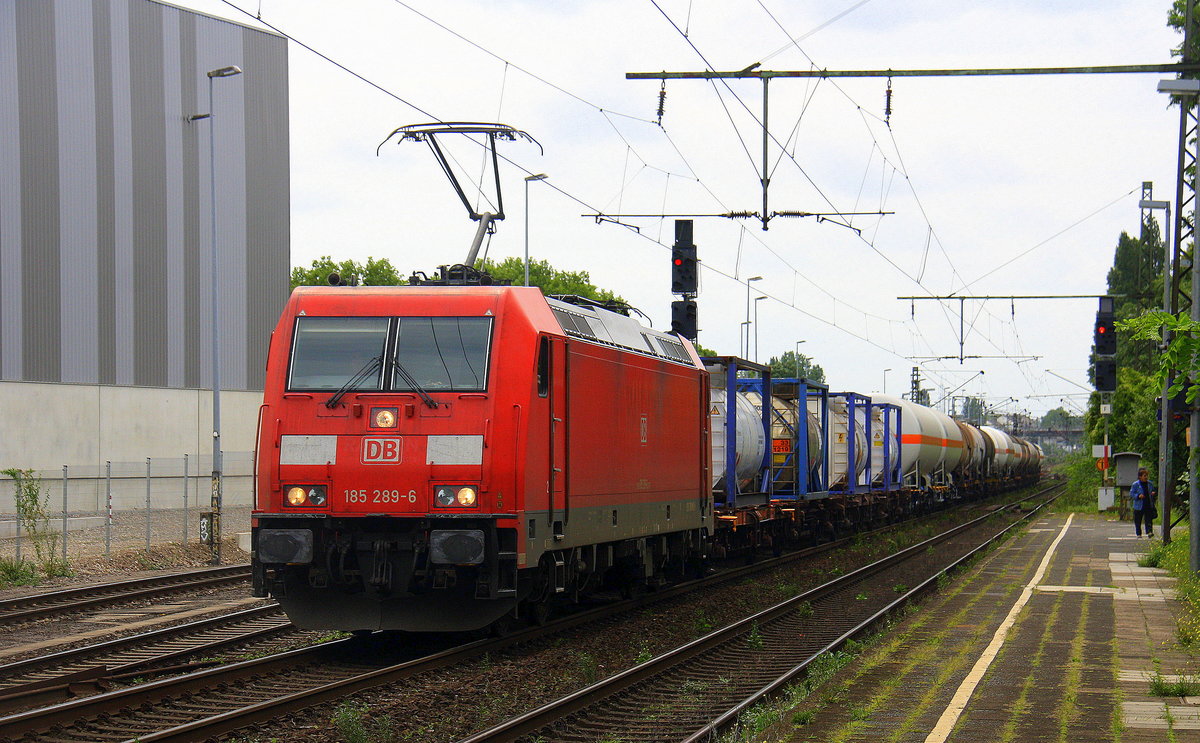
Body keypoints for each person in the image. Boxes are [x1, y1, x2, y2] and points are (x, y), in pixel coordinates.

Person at [1130, 467, 1157, 538]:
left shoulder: (1150, 484)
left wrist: (1153, 493)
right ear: (1140, 476)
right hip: (1139, 505)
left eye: (1146, 476)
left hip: (1148, 504)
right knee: (1138, 520)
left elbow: (1152, 491)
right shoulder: (1135, 484)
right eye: (1144, 476)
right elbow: (1132, 493)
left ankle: (1149, 532)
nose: (1146, 477)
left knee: (1149, 519)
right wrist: (1138, 496)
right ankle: (1138, 533)